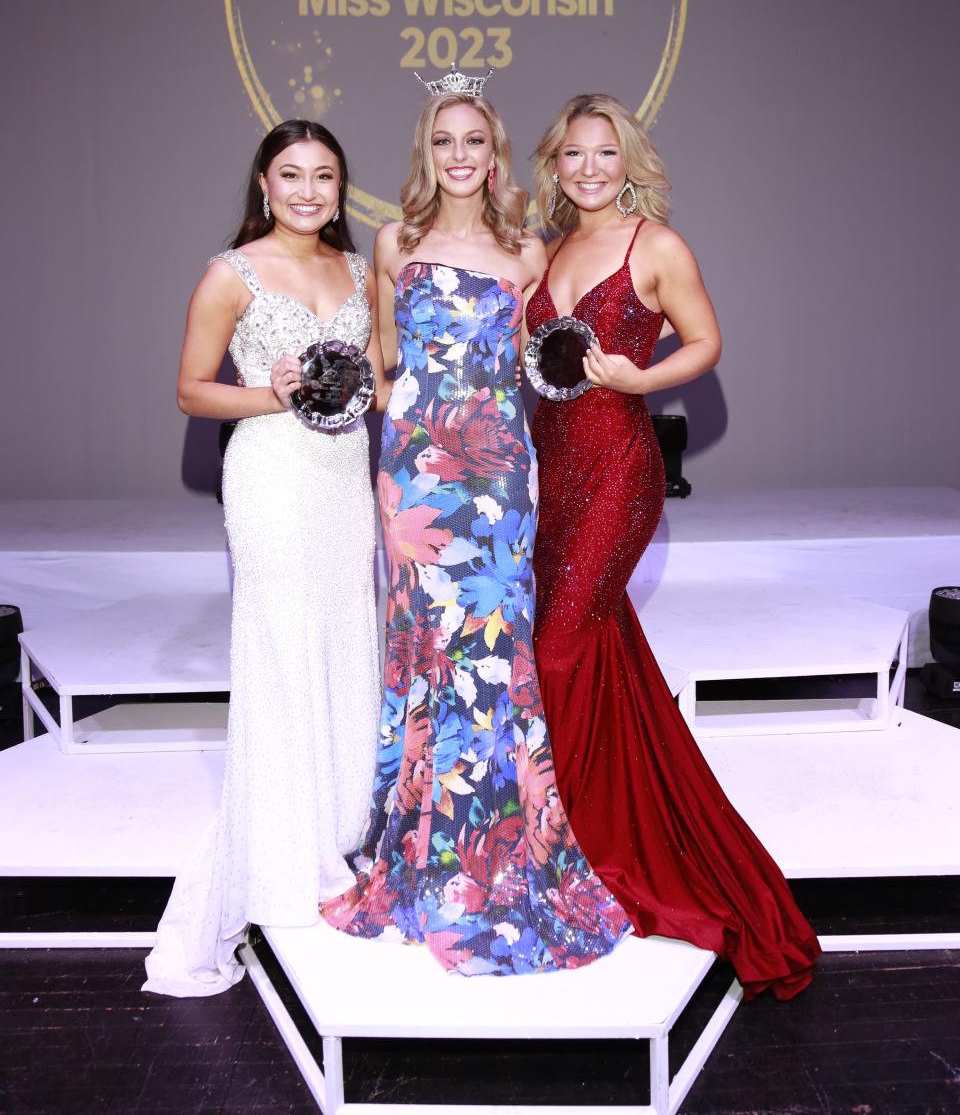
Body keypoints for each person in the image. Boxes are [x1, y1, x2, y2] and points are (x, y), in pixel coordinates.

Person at [321, 82, 631, 975]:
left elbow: (538, 366)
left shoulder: (527, 253)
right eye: (444, 141)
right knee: (427, 651)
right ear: (427, 152)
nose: (460, 155)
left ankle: (505, 857)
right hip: (416, 481)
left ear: (494, 154)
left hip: (498, 481)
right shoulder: (394, 242)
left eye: (474, 141)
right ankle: (420, 853)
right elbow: (386, 365)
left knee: (495, 651)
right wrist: (393, 434)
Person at [526, 93, 820, 1000]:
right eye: (574, 154)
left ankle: (579, 848)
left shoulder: (656, 246)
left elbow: (707, 342)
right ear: (555, 163)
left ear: (629, 159)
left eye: (604, 153)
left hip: (619, 466)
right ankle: (608, 818)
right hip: (551, 470)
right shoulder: (545, 248)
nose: (589, 169)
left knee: (561, 648)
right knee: (593, 650)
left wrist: (641, 377)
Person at [144, 119, 384, 997]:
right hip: (273, 479)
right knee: (283, 654)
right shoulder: (230, 273)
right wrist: (270, 393)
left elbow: (381, 377)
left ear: (339, 187)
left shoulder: (361, 272)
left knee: (342, 643)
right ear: (263, 184)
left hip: (341, 480)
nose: (309, 191)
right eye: (292, 175)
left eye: (325, 176)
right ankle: (287, 858)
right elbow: (188, 389)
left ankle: (333, 833)